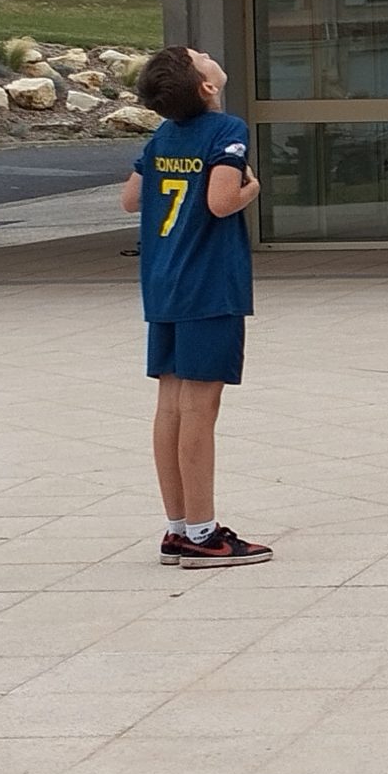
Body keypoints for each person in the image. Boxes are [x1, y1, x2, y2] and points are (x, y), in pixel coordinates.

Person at [117, 46, 271, 568]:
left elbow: (131, 198)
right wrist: (252, 188)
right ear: (206, 85)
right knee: (200, 410)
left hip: (162, 283)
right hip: (208, 285)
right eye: (199, 57)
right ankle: (204, 535)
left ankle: (178, 527)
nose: (207, 54)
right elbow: (221, 200)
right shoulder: (225, 127)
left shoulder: (162, 135)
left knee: (170, 404)